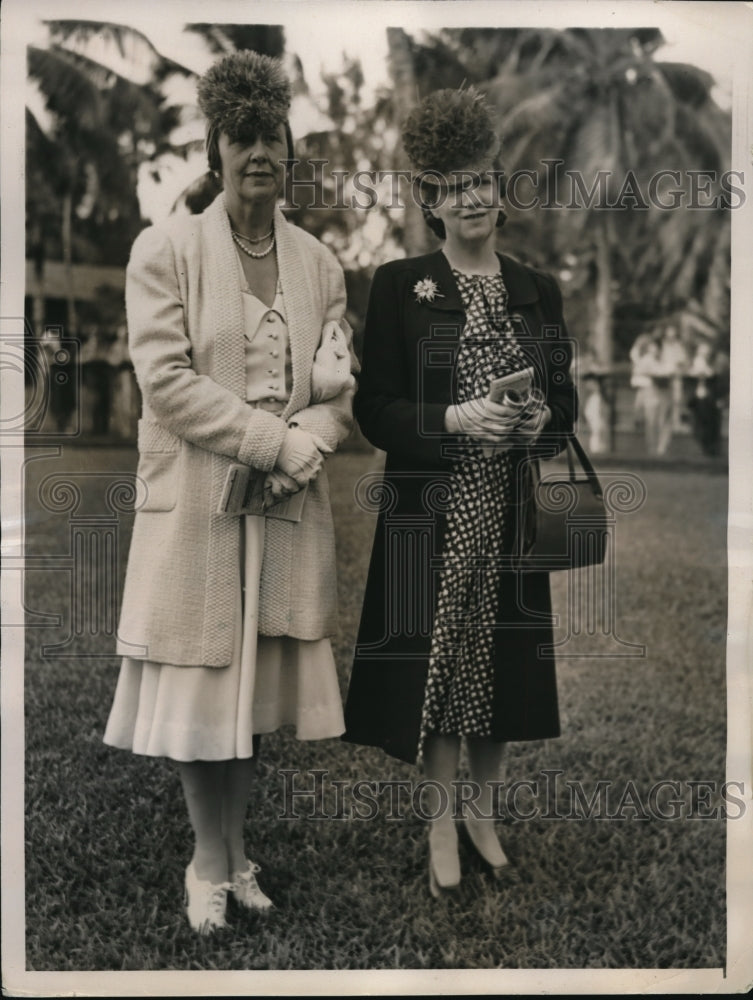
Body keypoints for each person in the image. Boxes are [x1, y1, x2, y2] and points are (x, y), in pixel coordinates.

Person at [103, 52, 356, 934]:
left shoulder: (320, 262)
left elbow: (337, 389)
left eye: (271, 138)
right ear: (215, 149)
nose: (258, 152)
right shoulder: (164, 249)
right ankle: (206, 863)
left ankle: (238, 853)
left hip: (282, 508)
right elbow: (166, 382)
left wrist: (305, 444)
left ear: (288, 154)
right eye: (241, 136)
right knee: (204, 688)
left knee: (247, 698)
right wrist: (270, 440)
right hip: (199, 509)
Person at [342, 88, 577, 897]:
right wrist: (453, 416)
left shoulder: (536, 289)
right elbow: (372, 408)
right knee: (439, 669)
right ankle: (440, 819)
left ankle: (482, 813)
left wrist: (537, 420)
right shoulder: (399, 283)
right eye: (452, 185)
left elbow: (564, 406)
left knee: (502, 666)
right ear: (430, 200)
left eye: (482, 179)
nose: (472, 196)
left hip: (509, 509)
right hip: (432, 516)